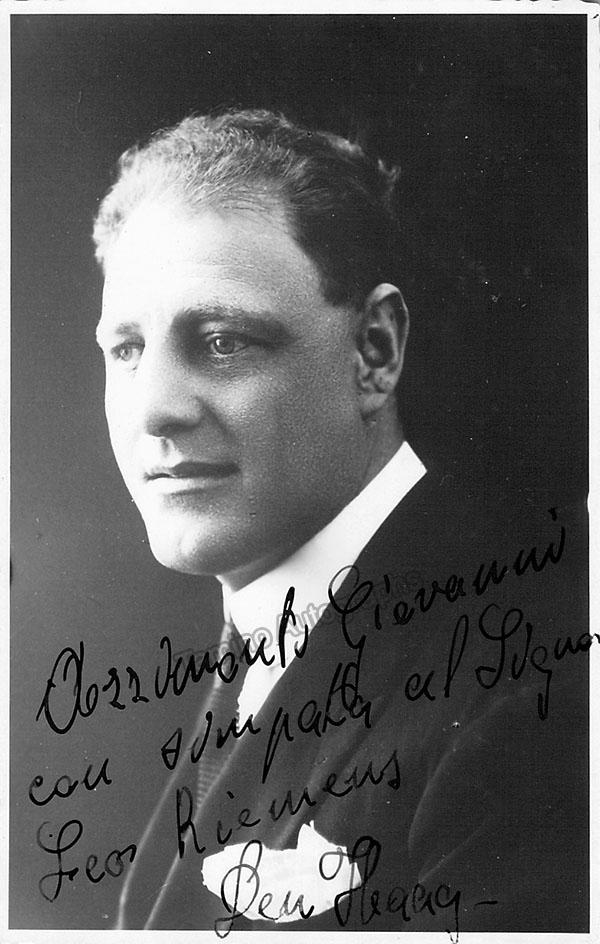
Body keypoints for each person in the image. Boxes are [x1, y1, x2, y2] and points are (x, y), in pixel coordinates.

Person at [93, 109, 588, 933]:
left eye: (222, 341)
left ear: (375, 351)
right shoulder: (261, 636)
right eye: (127, 350)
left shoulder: (537, 687)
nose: (155, 410)